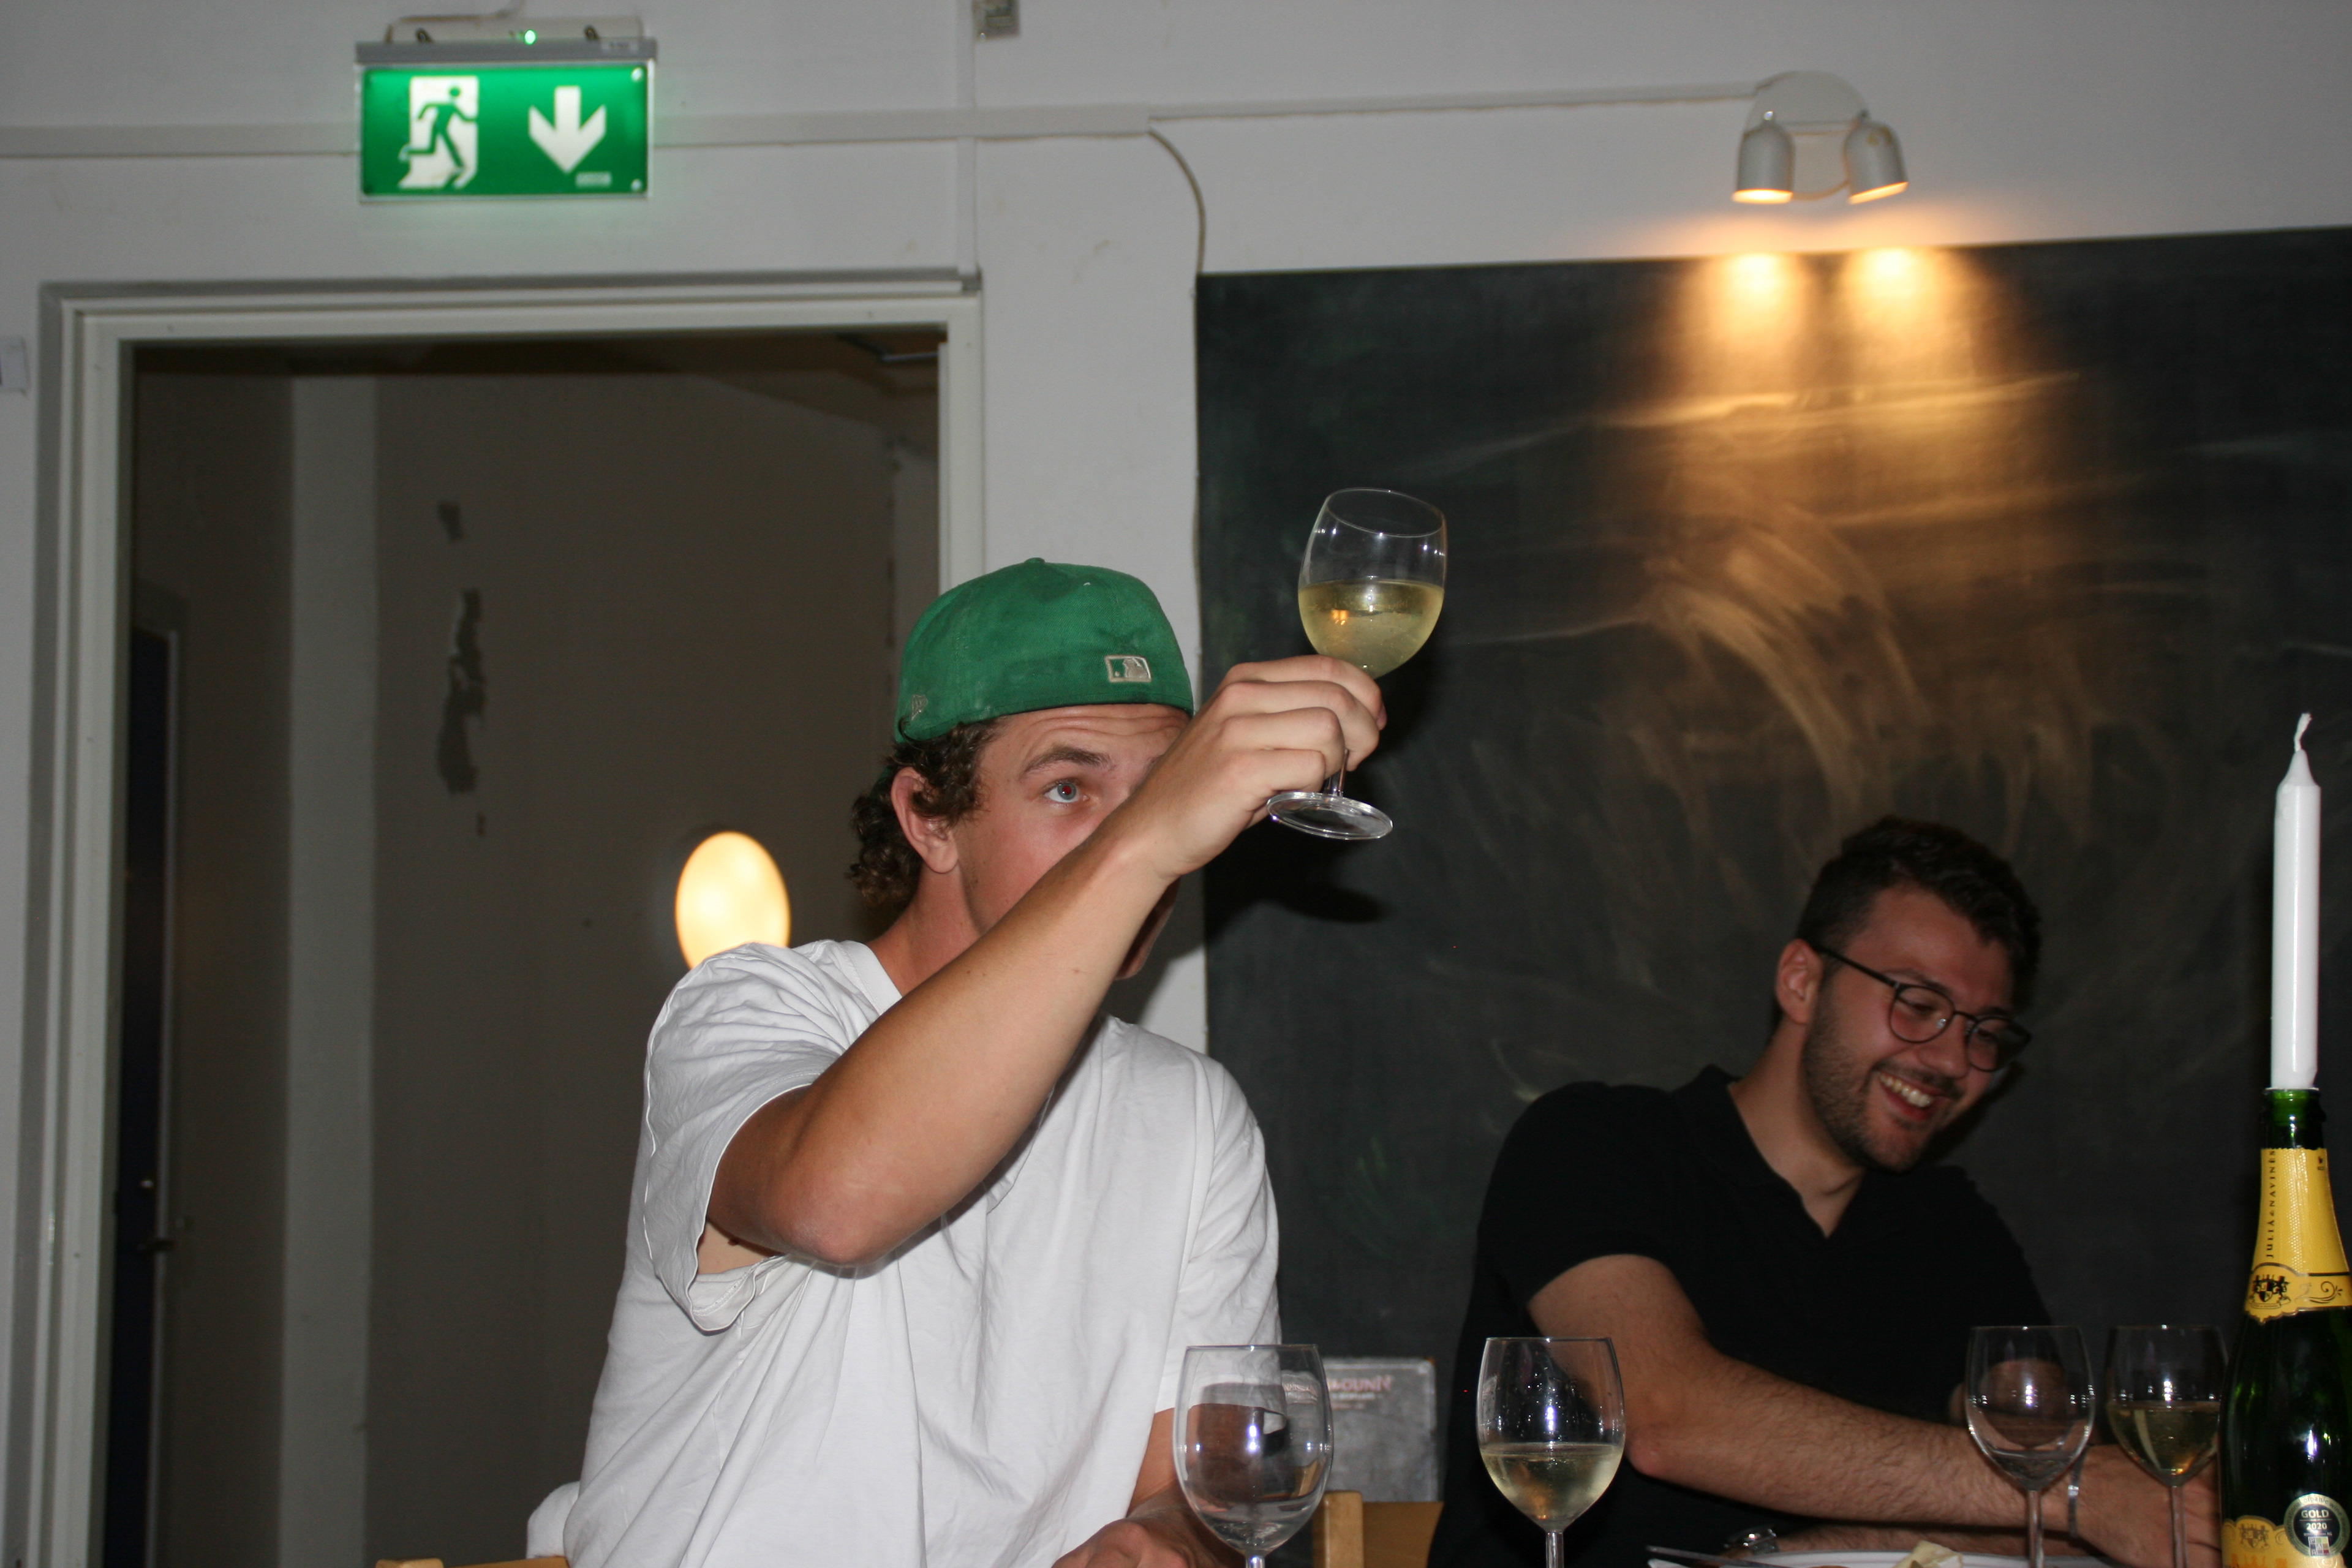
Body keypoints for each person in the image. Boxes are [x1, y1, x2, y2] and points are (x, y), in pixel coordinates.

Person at [557, 558, 1384, 1568]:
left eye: (1160, 789)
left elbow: (1196, 1484)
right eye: (1069, 788)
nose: (1137, 833)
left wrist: (1160, 1537)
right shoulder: (749, 1010)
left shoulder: (1192, 1113)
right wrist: (1143, 839)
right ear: (929, 818)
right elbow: (837, 1201)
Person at [1430, 817, 2211, 1568]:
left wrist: (1795, 1554)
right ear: (1802, 981)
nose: (1952, 1062)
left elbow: (2048, 1464)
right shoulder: (1598, 1141)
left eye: (1984, 1032)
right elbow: (1666, 1415)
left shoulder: (1951, 1225)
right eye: (1918, 1004)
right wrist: (2071, 1494)